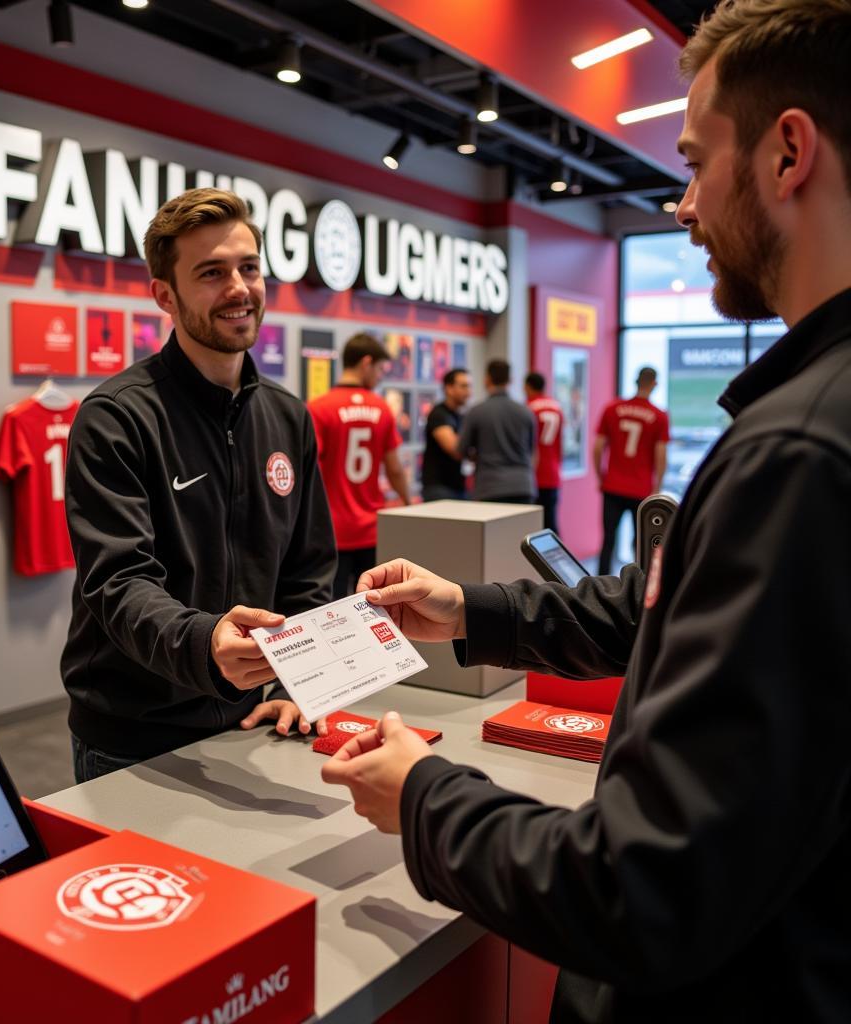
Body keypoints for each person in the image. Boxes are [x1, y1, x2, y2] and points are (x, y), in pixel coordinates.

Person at [321, 1, 851, 1019]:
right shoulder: (803, 419)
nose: (684, 206)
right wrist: (472, 609)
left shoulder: (797, 451)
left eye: (697, 163)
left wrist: (423, 795)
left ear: (788, 153)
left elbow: (645, 886)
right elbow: (665, 608)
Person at [61, 188, 336, 782]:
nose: (239, 288)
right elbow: (118, 581)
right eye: (211, 273)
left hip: (254, 721)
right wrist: (206, 641)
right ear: (166, 294)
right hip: (133, 738)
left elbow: (308, 570)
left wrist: (299, 681)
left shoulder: (288, 417)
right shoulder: (116, 417)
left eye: (249, 268)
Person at [308, 332, 410, 598]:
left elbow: (309, 469)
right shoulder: (382, 408)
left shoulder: (319, 407)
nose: (379, 377)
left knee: (334, 611)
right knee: (375, 605)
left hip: (332, 531)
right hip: (371, 530)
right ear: (366, 363)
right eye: (379, 369)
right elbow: (395, 469)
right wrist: (409, 501)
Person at [593, 367, 670, 574]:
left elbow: (598, 447)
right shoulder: (659, 416)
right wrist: (657, 487)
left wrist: (601, 476)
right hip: (641, 490)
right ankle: (638, 588)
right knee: (641, 544)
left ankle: (598, 587)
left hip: (613, 486)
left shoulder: (612, 408)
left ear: (636, 381)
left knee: (608, 540)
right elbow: (661, 456)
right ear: (654, 384)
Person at [458, 358, 536, 503]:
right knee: (523, 527)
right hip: (523, 486)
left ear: (487, 379)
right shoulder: (526, 412)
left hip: (490, 488)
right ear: (510, 380)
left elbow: (462, 449)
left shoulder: (477, 412)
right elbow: (531, 451)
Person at [421, 367, 472, 502]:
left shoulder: (461, 416)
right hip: (439, 489)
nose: (468, 392)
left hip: (458, 487)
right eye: (463, 386)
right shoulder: (439, 414)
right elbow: (454, 449)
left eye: (469, 386)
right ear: (449, 388)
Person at [523, 371, 563, 532]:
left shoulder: (527, 408)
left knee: (533, 527)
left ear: (527, 387)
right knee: (551, 524)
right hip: (553, 473)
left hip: (534, 474)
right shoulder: (556, 407)